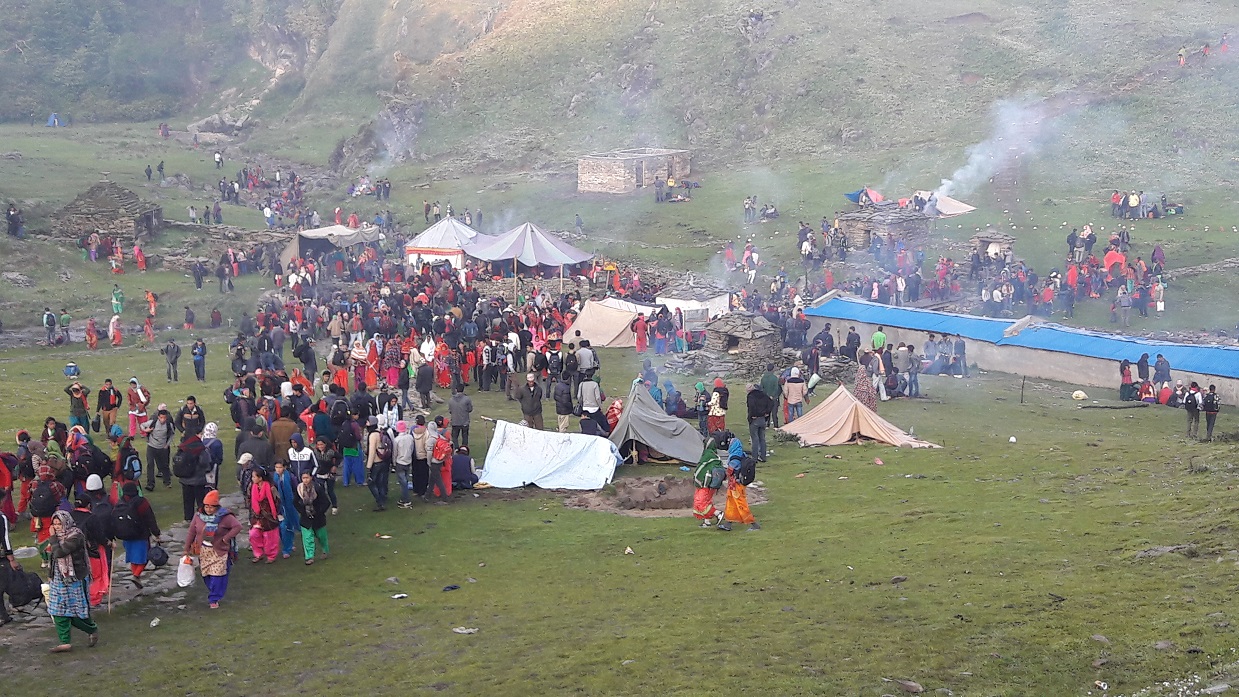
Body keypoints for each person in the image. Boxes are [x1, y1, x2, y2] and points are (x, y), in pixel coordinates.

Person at [46, 511, 100, 652]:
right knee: (57, 610)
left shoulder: (75, 536)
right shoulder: (56, 538)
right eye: (54, 524)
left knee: (76, 611)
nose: (56, 527)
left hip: (74, 578)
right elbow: (52, 558)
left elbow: (59, 553)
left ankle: (91, 629)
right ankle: (65, 642)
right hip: (58, 579)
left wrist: (52, 539)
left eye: (59, 524)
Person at [184, 489, 241, 609]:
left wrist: (225, 539)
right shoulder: (198, 516)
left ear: (216, 507)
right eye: (206, 506)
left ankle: (214, 598)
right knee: (206, 575)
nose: (209, 509)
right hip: (204, 551)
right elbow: (192, 532)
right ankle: (215, 591)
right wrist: (186, 548)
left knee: (218, 575)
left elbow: (237, 526)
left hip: (219, 551)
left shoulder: (225, 517)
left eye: (211, 507)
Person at [112, 482, 160, 589]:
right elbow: (150, 518)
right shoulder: (141, 502)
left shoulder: (119, 503)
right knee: (147, 556)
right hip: (141, 535)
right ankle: (136, 575)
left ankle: (136, 578)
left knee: (133, 558)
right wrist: (156, 532)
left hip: (126, 536)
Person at [718, 434, 759, 532]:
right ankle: (728, 524)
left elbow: (730, 471)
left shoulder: (734, 457)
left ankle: (753, 524)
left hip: (736, 485)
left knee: (741, 504)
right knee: (731, 503)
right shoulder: (742, 454)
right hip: (735, 484)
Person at [294, 471, 330, 565]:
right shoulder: (299, 489)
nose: (305, 480)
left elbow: (326, 502)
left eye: (307, 478)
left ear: (311, 478)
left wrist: (319, 512)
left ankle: (325, 550)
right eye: (303, 478)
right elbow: (295, 502)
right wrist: (302, 511)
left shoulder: (317, 488)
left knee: (321, 536)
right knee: (307, 538)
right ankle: (309, 557)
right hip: (305, 518)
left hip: (318, 518)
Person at [175, 433, 212, 522]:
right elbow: (205, 462)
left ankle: (188, 518)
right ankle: (202, 517)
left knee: (187, 500)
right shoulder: (200, 448)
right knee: (200, 500)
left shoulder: (182, 447)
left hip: (185, 478)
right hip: (198, 479)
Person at [691, 437, 726, 528]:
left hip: (705, 483)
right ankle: (707, 522)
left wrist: (696, 478)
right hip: (711, 484)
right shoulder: (715, 455)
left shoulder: (707, 455)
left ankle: (718, 513)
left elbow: (702, 468)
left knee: (700, 503)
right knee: (707, 501)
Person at [247, 467, 280, 563]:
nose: (252, 479)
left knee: (269, 537)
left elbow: (277, 501)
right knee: (253, 534)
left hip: (269, 517)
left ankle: (271, 556)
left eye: (254, 477)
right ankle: (258, 554)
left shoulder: (271, 488)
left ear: (260, 478)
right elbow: (249, 499)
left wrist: (273, 513)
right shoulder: (252, 487)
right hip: (257, 516)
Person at [271, 461, 300, 559]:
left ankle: (287, 548)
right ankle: (288, 545)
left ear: (284, 467)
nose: (278, 469)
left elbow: (296, 489)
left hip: (290, 505)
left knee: (287, 526)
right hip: (279, 506)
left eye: (280, 467)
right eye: (276, 467)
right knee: (281, 527)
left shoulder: (290, 477)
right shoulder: (274, 478)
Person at [144, 409, 175, 491]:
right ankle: (150, 484)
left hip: (162, 448)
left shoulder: (169, 425)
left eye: (164, 418)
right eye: (161, 418)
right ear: (158, 417)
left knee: (164, 465)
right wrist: (146, 430)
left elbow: (172, 434)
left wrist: (167, 444)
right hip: (151, 446)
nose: (163, 420)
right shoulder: (153, 422)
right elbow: (142, 425)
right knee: (150, 464)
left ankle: (167, 481)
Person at [746, 384, 772, 462]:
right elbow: (771, 403)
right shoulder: (763, 394)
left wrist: (751, 416)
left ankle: (754, 458)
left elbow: (751, 407)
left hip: (755, 419)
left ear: (748, 390)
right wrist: (767, 412)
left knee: (755, 439)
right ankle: (763, 457)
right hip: (762, 419)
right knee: (762, 438)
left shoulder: (750, 396)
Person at [760, 364, 781, 428]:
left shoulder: (763, 378)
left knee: (767, 412)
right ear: (773, 369)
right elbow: (776, 388)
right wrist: (772, 395)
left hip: (765, 398)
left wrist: (766, 395)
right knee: (774, 412)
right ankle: (775, 425)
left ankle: (767, 424)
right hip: (774, 398)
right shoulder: (775, 378)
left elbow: (761, 388)